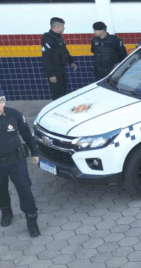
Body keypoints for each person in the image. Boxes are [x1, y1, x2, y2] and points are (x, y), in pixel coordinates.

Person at [0, 87, 41, 237]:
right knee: (1, 192)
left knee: (25, 191)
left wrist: (35, 152)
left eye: (1, 100)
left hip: (17, 161)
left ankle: (32, 221)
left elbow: (27, 134)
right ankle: (6, 212)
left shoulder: (14, 114)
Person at [41, 18, 77, 99]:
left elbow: (64, 51)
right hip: (54, 71)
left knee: (63, 92)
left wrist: (71, 61)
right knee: (58, 94)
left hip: (61, 69)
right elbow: (46, 58)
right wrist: (51, 75)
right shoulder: (48, 39)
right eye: (63, 26)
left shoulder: (58, 37)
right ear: (57, 26)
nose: (64, 28)